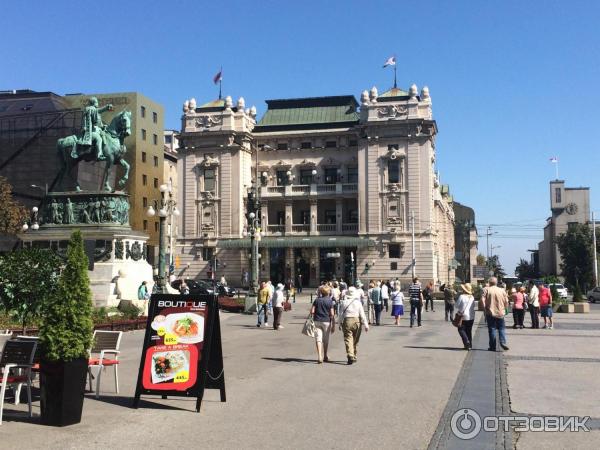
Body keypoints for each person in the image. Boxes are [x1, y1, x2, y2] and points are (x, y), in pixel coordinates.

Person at [339, 286, 369, 364]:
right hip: (357, 321)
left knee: (348, 338)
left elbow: (341, 314)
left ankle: (350, 354)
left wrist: (339, 323)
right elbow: (362, 314)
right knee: (356, 339)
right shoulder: (358, 302)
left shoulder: (344, 302)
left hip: (347, 321)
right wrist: (366, 324)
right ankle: (354, 355)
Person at [482, 277, 510, 351]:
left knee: (492, 329)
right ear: (496, 282)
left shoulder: (486, 289)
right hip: (501, 313)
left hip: (490, 313)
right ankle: (503, 342)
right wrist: (506, 310)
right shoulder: (502, 290)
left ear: (489, 283)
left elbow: (482, 300)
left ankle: (492, 346)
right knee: (501, 328)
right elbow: (507, 301)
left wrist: (485, 308)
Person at [311, 285, 335, 363]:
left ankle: (319, 356)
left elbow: (312, 311)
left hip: (317, 320)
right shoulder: (329, 301)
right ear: (328, 292)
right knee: (325, 339)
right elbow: (332, 314)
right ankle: (325, 355)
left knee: (318, 338)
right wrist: (333, 324)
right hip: (326, 321)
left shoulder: (317, 300)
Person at [455, 283, 475, 350]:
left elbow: (456, 306)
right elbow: (473, 306)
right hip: (471, 316)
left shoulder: (462, 296)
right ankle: (469, 346)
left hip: (463, 316)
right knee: (469, 331)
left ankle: (466, 341)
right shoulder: (472, 297)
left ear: (464, 290)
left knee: (460, 329)